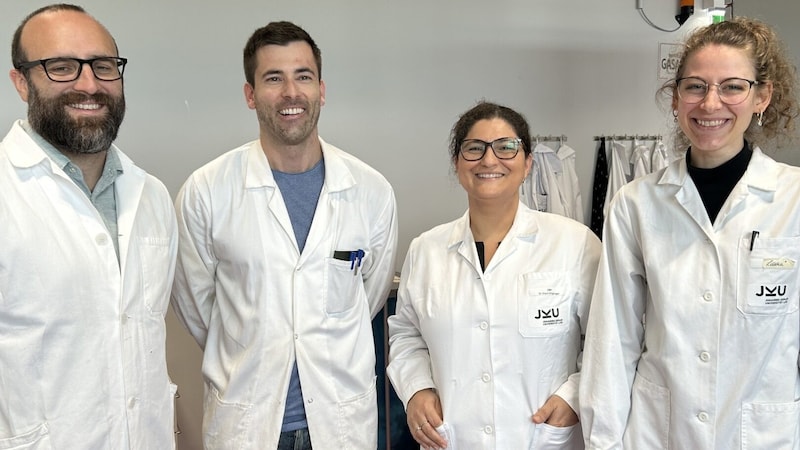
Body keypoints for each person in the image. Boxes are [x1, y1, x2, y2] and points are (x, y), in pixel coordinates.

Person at [170, 21, 398, 449]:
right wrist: (251, 339)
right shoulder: (206, 191)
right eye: (273, 78)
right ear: (250, 94)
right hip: (249, 423)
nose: (291, 93)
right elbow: (197, 307)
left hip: (340, 423)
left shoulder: (371, 192)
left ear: (322, 90)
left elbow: (367, 297)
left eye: (303, 76)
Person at [580, 17, 800, 449]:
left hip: (764, 434)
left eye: (732, 86)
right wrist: (603, 441)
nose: (711, 103)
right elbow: (614, 340)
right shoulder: (636, 203)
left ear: (762, 97)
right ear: (677, 98)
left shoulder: (793, 199)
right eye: (695, 86)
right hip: (659, 432)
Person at [1, 4, 178, 448]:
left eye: (103, 66)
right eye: (61, 67)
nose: (89, 84)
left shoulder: (152, 195)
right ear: (21, 81)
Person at [387, 101, 601, 449]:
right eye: (474, 149)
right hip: (455, 438)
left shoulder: (575, 244)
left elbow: (606, 342)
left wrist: (574, 396)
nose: (489, 160)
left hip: (540, 436)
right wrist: (417, 390)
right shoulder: (426, 250)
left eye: (506, 147)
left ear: (528, 162)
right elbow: (407, 334)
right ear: (457, 163)